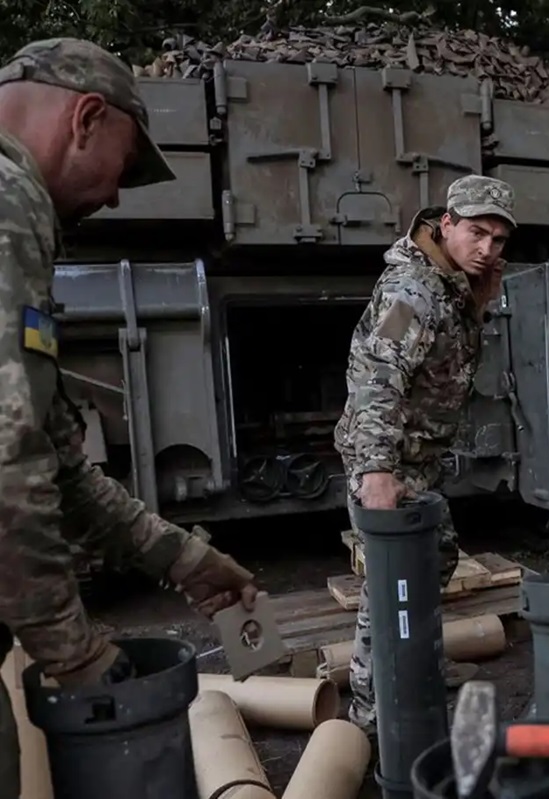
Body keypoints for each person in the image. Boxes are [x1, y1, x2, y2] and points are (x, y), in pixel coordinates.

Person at [0, 36, 260, 788]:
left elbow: (52, 455)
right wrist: (73, 651)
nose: (115, 195)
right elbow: (8, 457)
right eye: (122, 166)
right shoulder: (10, 205)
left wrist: (178, 555)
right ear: (85, 118)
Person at [332, 174, 516, 737]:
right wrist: (377, 472)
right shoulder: (413, 291)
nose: (488, 249)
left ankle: (421, 665)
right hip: (388, 454)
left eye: (500, 240)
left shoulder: (456, 281)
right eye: (477, 233)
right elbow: (377, 379)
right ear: (448, 223)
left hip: (419, 456)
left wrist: (479, 301)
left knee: (435, 558)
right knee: (389, 585)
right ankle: (367, 716)